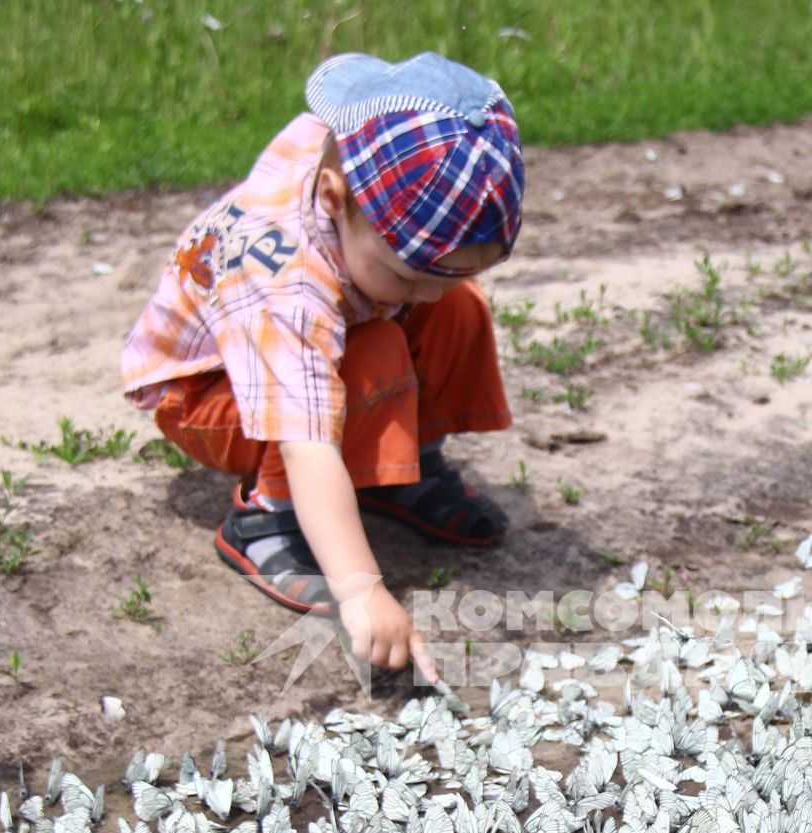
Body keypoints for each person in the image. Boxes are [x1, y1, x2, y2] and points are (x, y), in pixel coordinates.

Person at [121, 51, 524, 682]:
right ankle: (266, 517)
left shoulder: (351, 156)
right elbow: (305, 439)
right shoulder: (286, 288)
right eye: (406, 275)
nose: (424, 294)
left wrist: (426, 285)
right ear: (335, 201)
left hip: (288, 355)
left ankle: (401, 470)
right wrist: (361, 589)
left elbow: (426, 284)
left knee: (458, 311)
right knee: (372, 355)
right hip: (208, 395)